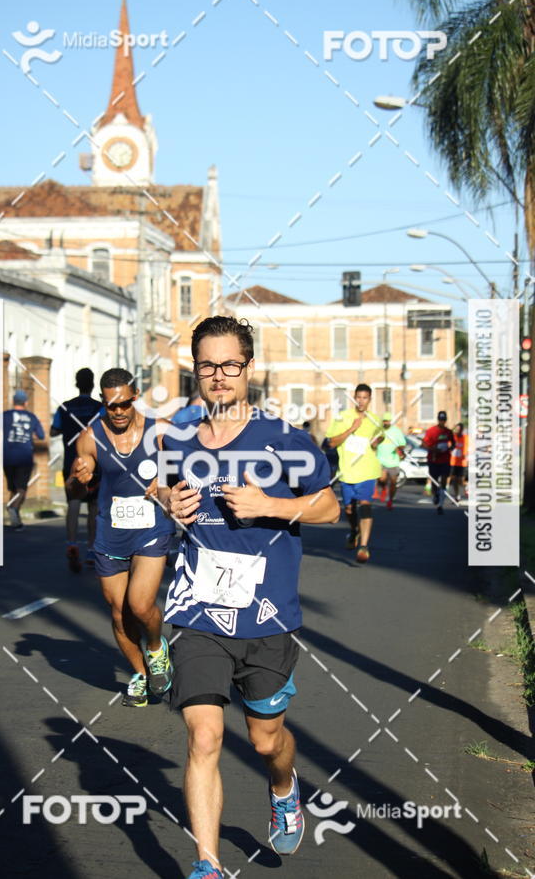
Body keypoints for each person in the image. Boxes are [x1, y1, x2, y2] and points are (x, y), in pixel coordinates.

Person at [157, 316, 339, 879]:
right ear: (196, 369)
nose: (218, 376)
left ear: (248, 369)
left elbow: (330, 508)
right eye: (207, 365)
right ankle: (207, 864)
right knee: (204, 735)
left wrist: (271, 506)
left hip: (266, 616)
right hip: (196, 612)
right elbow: (159, 483)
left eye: (229, 365)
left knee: (266, 741)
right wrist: (167, 498)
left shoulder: (286, 439)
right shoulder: (178, 439)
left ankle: (284, 790)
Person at [70, 367, 175, 708]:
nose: (117, 412)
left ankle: (157, 649)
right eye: (110, 405)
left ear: (135, 399)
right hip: (110, 532)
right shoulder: (90, 435)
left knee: (140, 604)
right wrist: (79, 474)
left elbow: (188, 467)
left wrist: (165, 480)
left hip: (151, 528)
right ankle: (141, 674)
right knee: (118, 613)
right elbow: (76, 484)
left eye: (124, 405)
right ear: (103, 401)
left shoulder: (159, 431)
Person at [51, 368, 103, 571]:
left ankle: (71, 543)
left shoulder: (65, 407)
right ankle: (91, 548)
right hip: (94, 462)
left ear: (76, 383)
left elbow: (53, 430)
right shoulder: (99, 407)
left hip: (71, 461)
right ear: (92, 385)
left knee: (73, 502)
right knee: (93, 506)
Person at [325, 384, 382, 563]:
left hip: (368, 470)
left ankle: (364, 546)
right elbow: (331, 443)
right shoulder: (343, 417)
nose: (361, 401)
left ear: (370, 399)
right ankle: (354, 530)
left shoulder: (375, 420)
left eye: (365, 398)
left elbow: (379, 437)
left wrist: (376, 442)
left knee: (365, 505)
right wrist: (351, 429)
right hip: (347, 472)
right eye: (358, 397)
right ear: (354, 398)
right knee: (349, 509)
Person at [2, 390, 45, 530]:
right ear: (26, 403)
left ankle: (16, 519)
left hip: (7, 457)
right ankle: (13, 508)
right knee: (21, 488)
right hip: (25, 457)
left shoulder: (5, 416)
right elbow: (41, 435)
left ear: (13, 401)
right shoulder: (31, 417)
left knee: (13, 487)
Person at [422, 410, 455, 515]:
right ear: (438, 420)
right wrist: (433, 449)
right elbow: (424, 444)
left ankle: (440, 505)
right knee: (434, 482)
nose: (442, 422)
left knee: (444, 480)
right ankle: (435, 494)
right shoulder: (431, 431)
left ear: (446, 420)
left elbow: (453, 443)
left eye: (444, 420)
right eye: (441, 419)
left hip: (445, 459)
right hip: (434, 459)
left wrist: (450, 448)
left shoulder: (448, 432)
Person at [376, 412, 406, 509]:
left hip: (393, 461)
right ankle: (384, 487)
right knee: (382, 478)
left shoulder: (396, 431)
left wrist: (399, 449)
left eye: (388, 421)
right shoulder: (379, 431)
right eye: (384, 421)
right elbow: (373, 443)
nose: (386, 423)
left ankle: (390, 500)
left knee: (393, 482)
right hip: (381, 460)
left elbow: (402, 444)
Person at [450, 422, 468, 502]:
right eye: (456, 429)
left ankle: (467, 487)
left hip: (462, 463)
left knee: (461, 480)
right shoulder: (453, 438)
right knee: (454, 480)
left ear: (462, 430)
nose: (458, 431)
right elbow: (449, 447)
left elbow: (470, 449)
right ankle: (457, 495)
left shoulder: (466, 438)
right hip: (453, 462)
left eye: (459, 429)